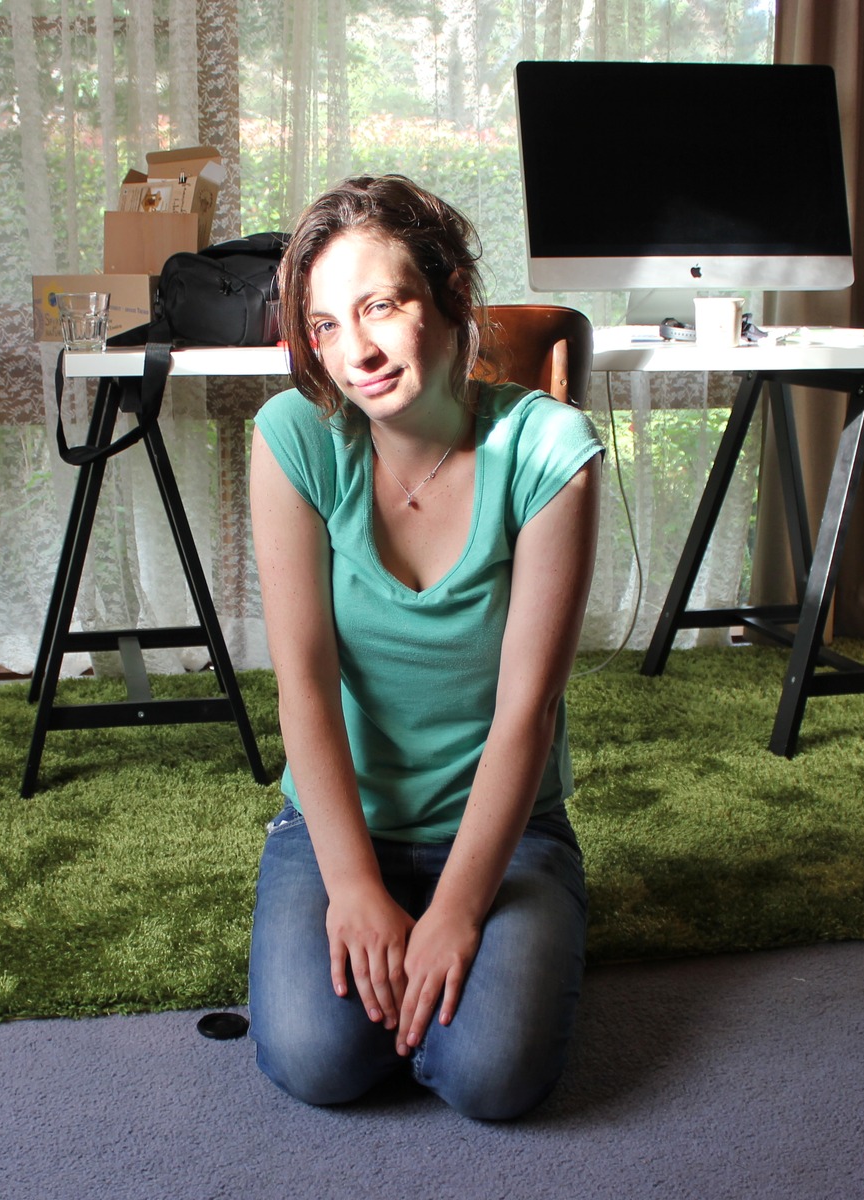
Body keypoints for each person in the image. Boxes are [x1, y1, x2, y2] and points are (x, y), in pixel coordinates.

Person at [247, 175, 602, 1121]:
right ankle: (398, 979)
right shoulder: (295, 438)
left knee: (492, 1075)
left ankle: (483, 967)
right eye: (324, 325)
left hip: (506, 827)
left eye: (379, 306)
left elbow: (528, 711)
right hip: (336, 826)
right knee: (317, 1060)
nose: (353, 350)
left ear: (448, 294)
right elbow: (306, 694)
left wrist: (455, 912)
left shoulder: (548, 448)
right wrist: (356, 888)